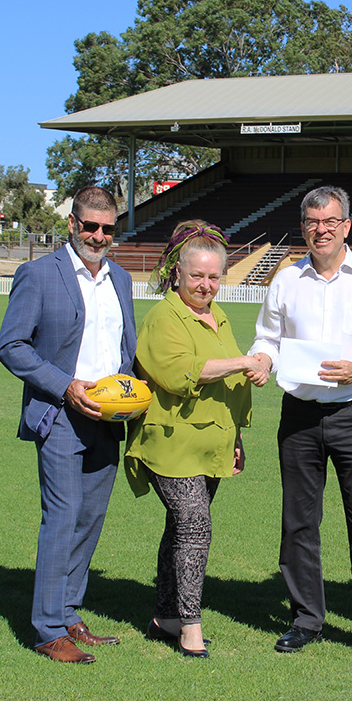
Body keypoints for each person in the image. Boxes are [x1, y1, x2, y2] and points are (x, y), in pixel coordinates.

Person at [248, 185, 352, 661]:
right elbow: (268, 337)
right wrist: (261, 359)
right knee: (299, 523)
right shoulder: (285, 281)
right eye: (312, 222)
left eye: (330, 222)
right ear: (303, 228)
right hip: (298, 415)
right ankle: (305, 619)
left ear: (347, 226)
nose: (321, 230)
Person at [0, 186, 137, 664]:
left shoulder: (120, 278)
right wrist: (65, 385)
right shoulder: (37, 274)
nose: (99, 236)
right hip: (59, 414)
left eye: (108, 228)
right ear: (73, 224)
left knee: (89, 521)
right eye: (90, 226)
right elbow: (12, 346)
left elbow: (126, 349)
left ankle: (71, 613)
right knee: (61, 517)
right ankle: (48, 628)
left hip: (108, 418)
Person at [124, 220, 266, 658]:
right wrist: (244, 361)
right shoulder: (164, 316)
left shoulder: (217, 316)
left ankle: (165, 615)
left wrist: (237, 435)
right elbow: (180, 372)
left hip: (212, 443)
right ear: (178, 273)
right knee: (194, 526)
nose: (205, 285)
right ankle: (190, 625)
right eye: (197, 276)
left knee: (180, 529)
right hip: (171, 444)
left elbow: (227, 385)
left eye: (213, 277)